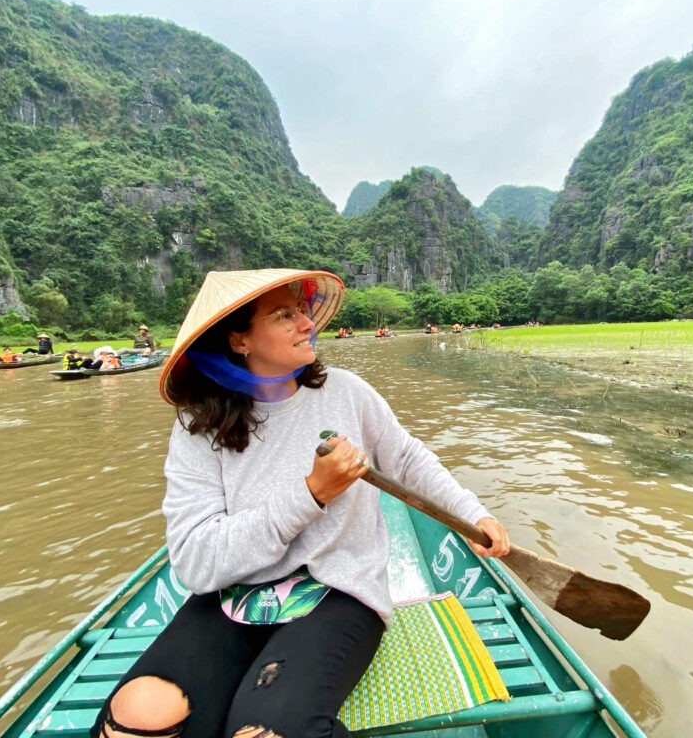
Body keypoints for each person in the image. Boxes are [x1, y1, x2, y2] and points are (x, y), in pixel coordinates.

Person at [90, 268, 510, 738]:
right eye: (284, 316)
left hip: (336, 587)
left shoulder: (346, 392)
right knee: (136, 716)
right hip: (231, 592)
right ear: (238, 340)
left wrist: (473, 514)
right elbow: (194, 561)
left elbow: (408, 461)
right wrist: (311, 494)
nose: (307, 324)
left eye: (302, 311)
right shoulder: (198, 425)